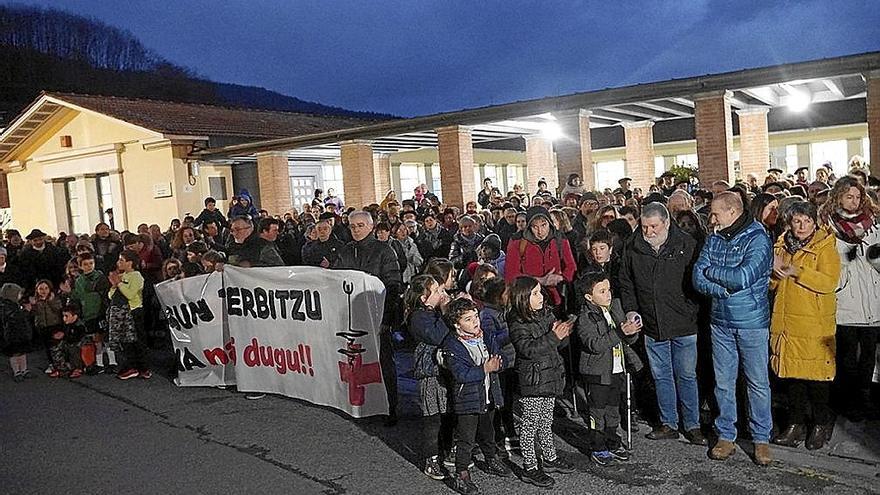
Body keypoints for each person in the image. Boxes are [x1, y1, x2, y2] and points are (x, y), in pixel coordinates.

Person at [693, 191, 773, 466]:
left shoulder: (758, 238)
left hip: (752, 323)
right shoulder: (714, 238)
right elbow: (696, 276)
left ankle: (761, 439)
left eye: (715, 213)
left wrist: (713, 273)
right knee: (723, 383)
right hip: (720, 322)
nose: (711, 219)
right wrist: (722, 290)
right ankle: (726, 435)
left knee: (757, 383)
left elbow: (742, 277)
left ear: (732, 212)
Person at [618, 202, 706, 445]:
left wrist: (691, 309)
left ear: (666, 223)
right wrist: (632, 310)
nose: (649, 232)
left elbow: (697, 282)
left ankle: (693, 424)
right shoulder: (633, 247)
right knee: (661, 375)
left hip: (683, 322)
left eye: (654, 226)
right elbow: (626, 282)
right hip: (652, 322)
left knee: (687, 375)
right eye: (645, 227)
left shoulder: (687, 245)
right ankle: (669, 422)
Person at [769, 201, 840, 450]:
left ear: (814, 222)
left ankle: (821, 423)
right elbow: (772, 286)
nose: (801, 226)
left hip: (813, 321)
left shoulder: (825, 246)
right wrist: (775, 276)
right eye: (797, 221)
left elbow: (829, 281)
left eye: (806, 221)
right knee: (792, 378)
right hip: (787, 320)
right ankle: (795, 423)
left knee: (816, 379)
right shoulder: (781, 245)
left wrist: (798, 271)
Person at [819, 176, 880, 420]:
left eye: (857, 197)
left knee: (868, 356)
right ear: (838, 197)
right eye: (848, 197)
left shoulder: (873, 225)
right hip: (846, 302)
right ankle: (847, 400)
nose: (854, 202)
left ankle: (863, 398)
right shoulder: (828, 228)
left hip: (873, 302)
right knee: (846, 356)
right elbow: (830, 266)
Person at [334, 211, 404, 425]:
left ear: (371, 226)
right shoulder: (346, 251)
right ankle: (361, 404)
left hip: (377, 315)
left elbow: (393, 285)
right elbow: (335, 279)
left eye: (360, 225)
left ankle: (389, 407)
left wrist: (386, 319)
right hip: (353, 315)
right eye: (352, 226)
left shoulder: (384, 251)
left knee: (383, 363)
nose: (356, 229)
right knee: (354, 360)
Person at [507, 276, 575, 488]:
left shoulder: (546, 314)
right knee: (529, 425)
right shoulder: (518, 321)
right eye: (535, 293)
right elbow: (528, 350)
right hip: (534, 381)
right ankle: (530, 466)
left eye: (539, 292)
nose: (540, 296)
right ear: (523, 298)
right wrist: (554, 336)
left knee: (546, 422)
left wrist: (563, 334)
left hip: (550, 377)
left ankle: (550, 457)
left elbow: (556, 345)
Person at [441, 298, 512, 493]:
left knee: (488, 431)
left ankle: (491, 459)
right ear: (457, 324)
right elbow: (461, 374)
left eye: (475, 317)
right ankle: (461, 473)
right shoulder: (453, 345)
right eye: (468, 319)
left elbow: (500, 356)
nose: (475, 322)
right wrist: (485, 368)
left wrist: (500, 363)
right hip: (468, 399)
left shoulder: (486, 336)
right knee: (466, 439)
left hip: (488, 395)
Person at [575, 270, 643, 466]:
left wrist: (631, 331)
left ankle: (612, 441)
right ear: (590, 297)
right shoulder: (585, 317)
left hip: (617, 368)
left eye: (608, 289)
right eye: (602, 291)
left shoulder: (615, 307)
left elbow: (626, 337)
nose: (608, 294)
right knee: (598, 411)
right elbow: (594, 344)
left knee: (613, 409)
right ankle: (598, 446)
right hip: (597, 372)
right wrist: (620, 332)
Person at [504, 206, 576, 311]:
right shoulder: (517, 242)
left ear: (550, 223)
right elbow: (511, 274)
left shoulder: (560, 239)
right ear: (529, 227)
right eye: (535, 227)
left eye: (544, 225)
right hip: (528, 300)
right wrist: (540, 281)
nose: (540, 231)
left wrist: (561, 278)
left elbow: (571, 266)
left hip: (556, 298)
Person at [108, 250, 150, 381]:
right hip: (122, 313)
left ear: (130, 263)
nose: (118, 263)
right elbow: (110, 296)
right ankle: (131, 366)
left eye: (121, 260)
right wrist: (114, 285)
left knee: (137, 341)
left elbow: (130, 294)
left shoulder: (136, 276)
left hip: (134, 311)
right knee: (126, 342)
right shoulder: (122, 275)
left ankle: (143, 368)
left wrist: (119, 283)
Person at [70, 252, 110, 374]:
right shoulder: (79, 281)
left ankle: (112, 362)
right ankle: (99, 363)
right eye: (85, 264)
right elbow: (77, 296)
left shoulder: (100, 277)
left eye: (91, 263)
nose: (89, 266)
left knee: (106, 338)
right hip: (88, 313)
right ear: (80, 266)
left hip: (100, 311)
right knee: (96, 339)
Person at [1, 283, 32, 382]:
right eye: (18, 294)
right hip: (13, 334)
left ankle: (24, 370)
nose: (20, 296)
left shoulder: (15, 305)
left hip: (21, 333)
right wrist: (26, 311)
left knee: (22, 352)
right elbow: (15, 317)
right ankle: (17, 371)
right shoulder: (6, 306)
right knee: (14, 353)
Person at [49, 304, 87, 378]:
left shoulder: (79, 325)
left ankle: (78, 368)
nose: (64, 318)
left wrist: (64, 336)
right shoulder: (67, 325)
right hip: (69, 342)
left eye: (67, 316)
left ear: (74, 316)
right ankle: (61, 368)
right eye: (63, 316)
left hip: (78, 344)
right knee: (56, 346)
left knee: (73, 348)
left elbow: (77, 338)